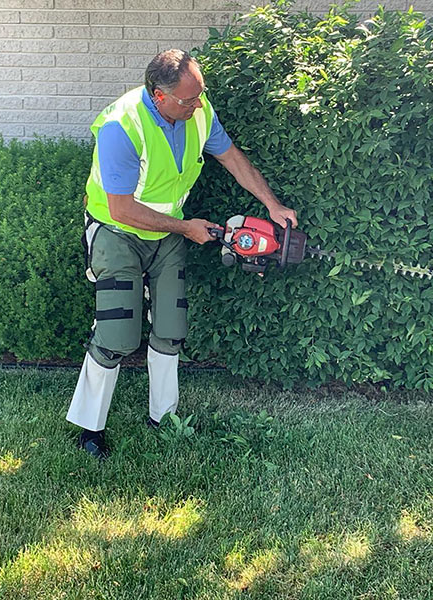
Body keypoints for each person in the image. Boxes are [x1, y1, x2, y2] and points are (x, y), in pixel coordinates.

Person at [66, 49, 297, 460]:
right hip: (117, 231)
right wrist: (187, 228)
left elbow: (232, 159)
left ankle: (163, 418)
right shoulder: (122, 125)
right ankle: (89, 428)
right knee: (117, 334)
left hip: (168, 230)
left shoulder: (198, 111)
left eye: (200, 94)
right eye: (189, 99)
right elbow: (121, 208)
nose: (198, 104)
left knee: (171, 329)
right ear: (159, 96)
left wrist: (272, 204)